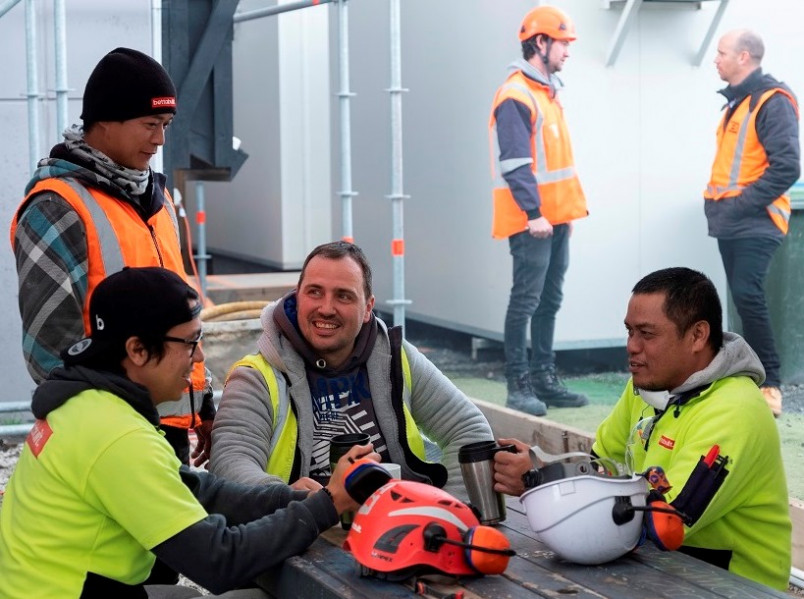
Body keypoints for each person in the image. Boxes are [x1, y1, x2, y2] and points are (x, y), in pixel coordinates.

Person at [0, 267, 377, 598]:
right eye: (191, 343)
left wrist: (285, 498)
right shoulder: (116, 437)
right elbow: (220, 560)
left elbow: (194, 489)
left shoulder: (87, 405)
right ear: (137, 350)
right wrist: (328, 505)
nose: (199, 358)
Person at [493, 267, 791, 590]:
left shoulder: (735, 410)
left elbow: (658, 523)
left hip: (733, 587)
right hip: (660, 572)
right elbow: (598, 466)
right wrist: (542, 465)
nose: (632, 347)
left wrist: (539, 479)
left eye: (646, 334)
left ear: (697, 336)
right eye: (629, 332)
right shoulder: (647, 387)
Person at [9, 47, 215, 466]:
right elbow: (48, 348)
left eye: (166, 125)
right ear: (104, 121)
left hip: (168, 429)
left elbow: (183, 315)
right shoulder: (58, 206)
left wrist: (202, 400)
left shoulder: (157, 203)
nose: (159, 139)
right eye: (149, 124)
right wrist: (107, 428)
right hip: (110, 440)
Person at [210, 241, 493, 496]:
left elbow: (468, 429)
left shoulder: (395, 356)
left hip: (397, 531)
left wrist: (450, 510)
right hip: (300, 538)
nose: (326, 308)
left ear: (368, 307)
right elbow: (230, 464)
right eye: (315, 292)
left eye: (343, 296)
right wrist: (286, 501)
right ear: (298, 298)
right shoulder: (256, 377)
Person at [489, 5, 589, 417]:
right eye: (563, 42)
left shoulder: (548, 92)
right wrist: (533, 213)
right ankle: (520, 384)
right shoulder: (516, 95)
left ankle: (544, 379)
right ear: (540, 42)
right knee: (526, 301)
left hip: (557, 219)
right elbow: (515, 163)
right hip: (533, 223)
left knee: (549, 300)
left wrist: (556, 214)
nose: (568, 51)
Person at [705, 29, 801, 417]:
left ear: (744, 57)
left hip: (756, 220)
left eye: (722, 52)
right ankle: (747, 378)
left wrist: (740, 205)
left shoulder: (771, 102)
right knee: (743, 299)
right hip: (731, 221)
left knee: (747, 294)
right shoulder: (737, 103)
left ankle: (771, 385)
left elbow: (787, 167)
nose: (716, 58)